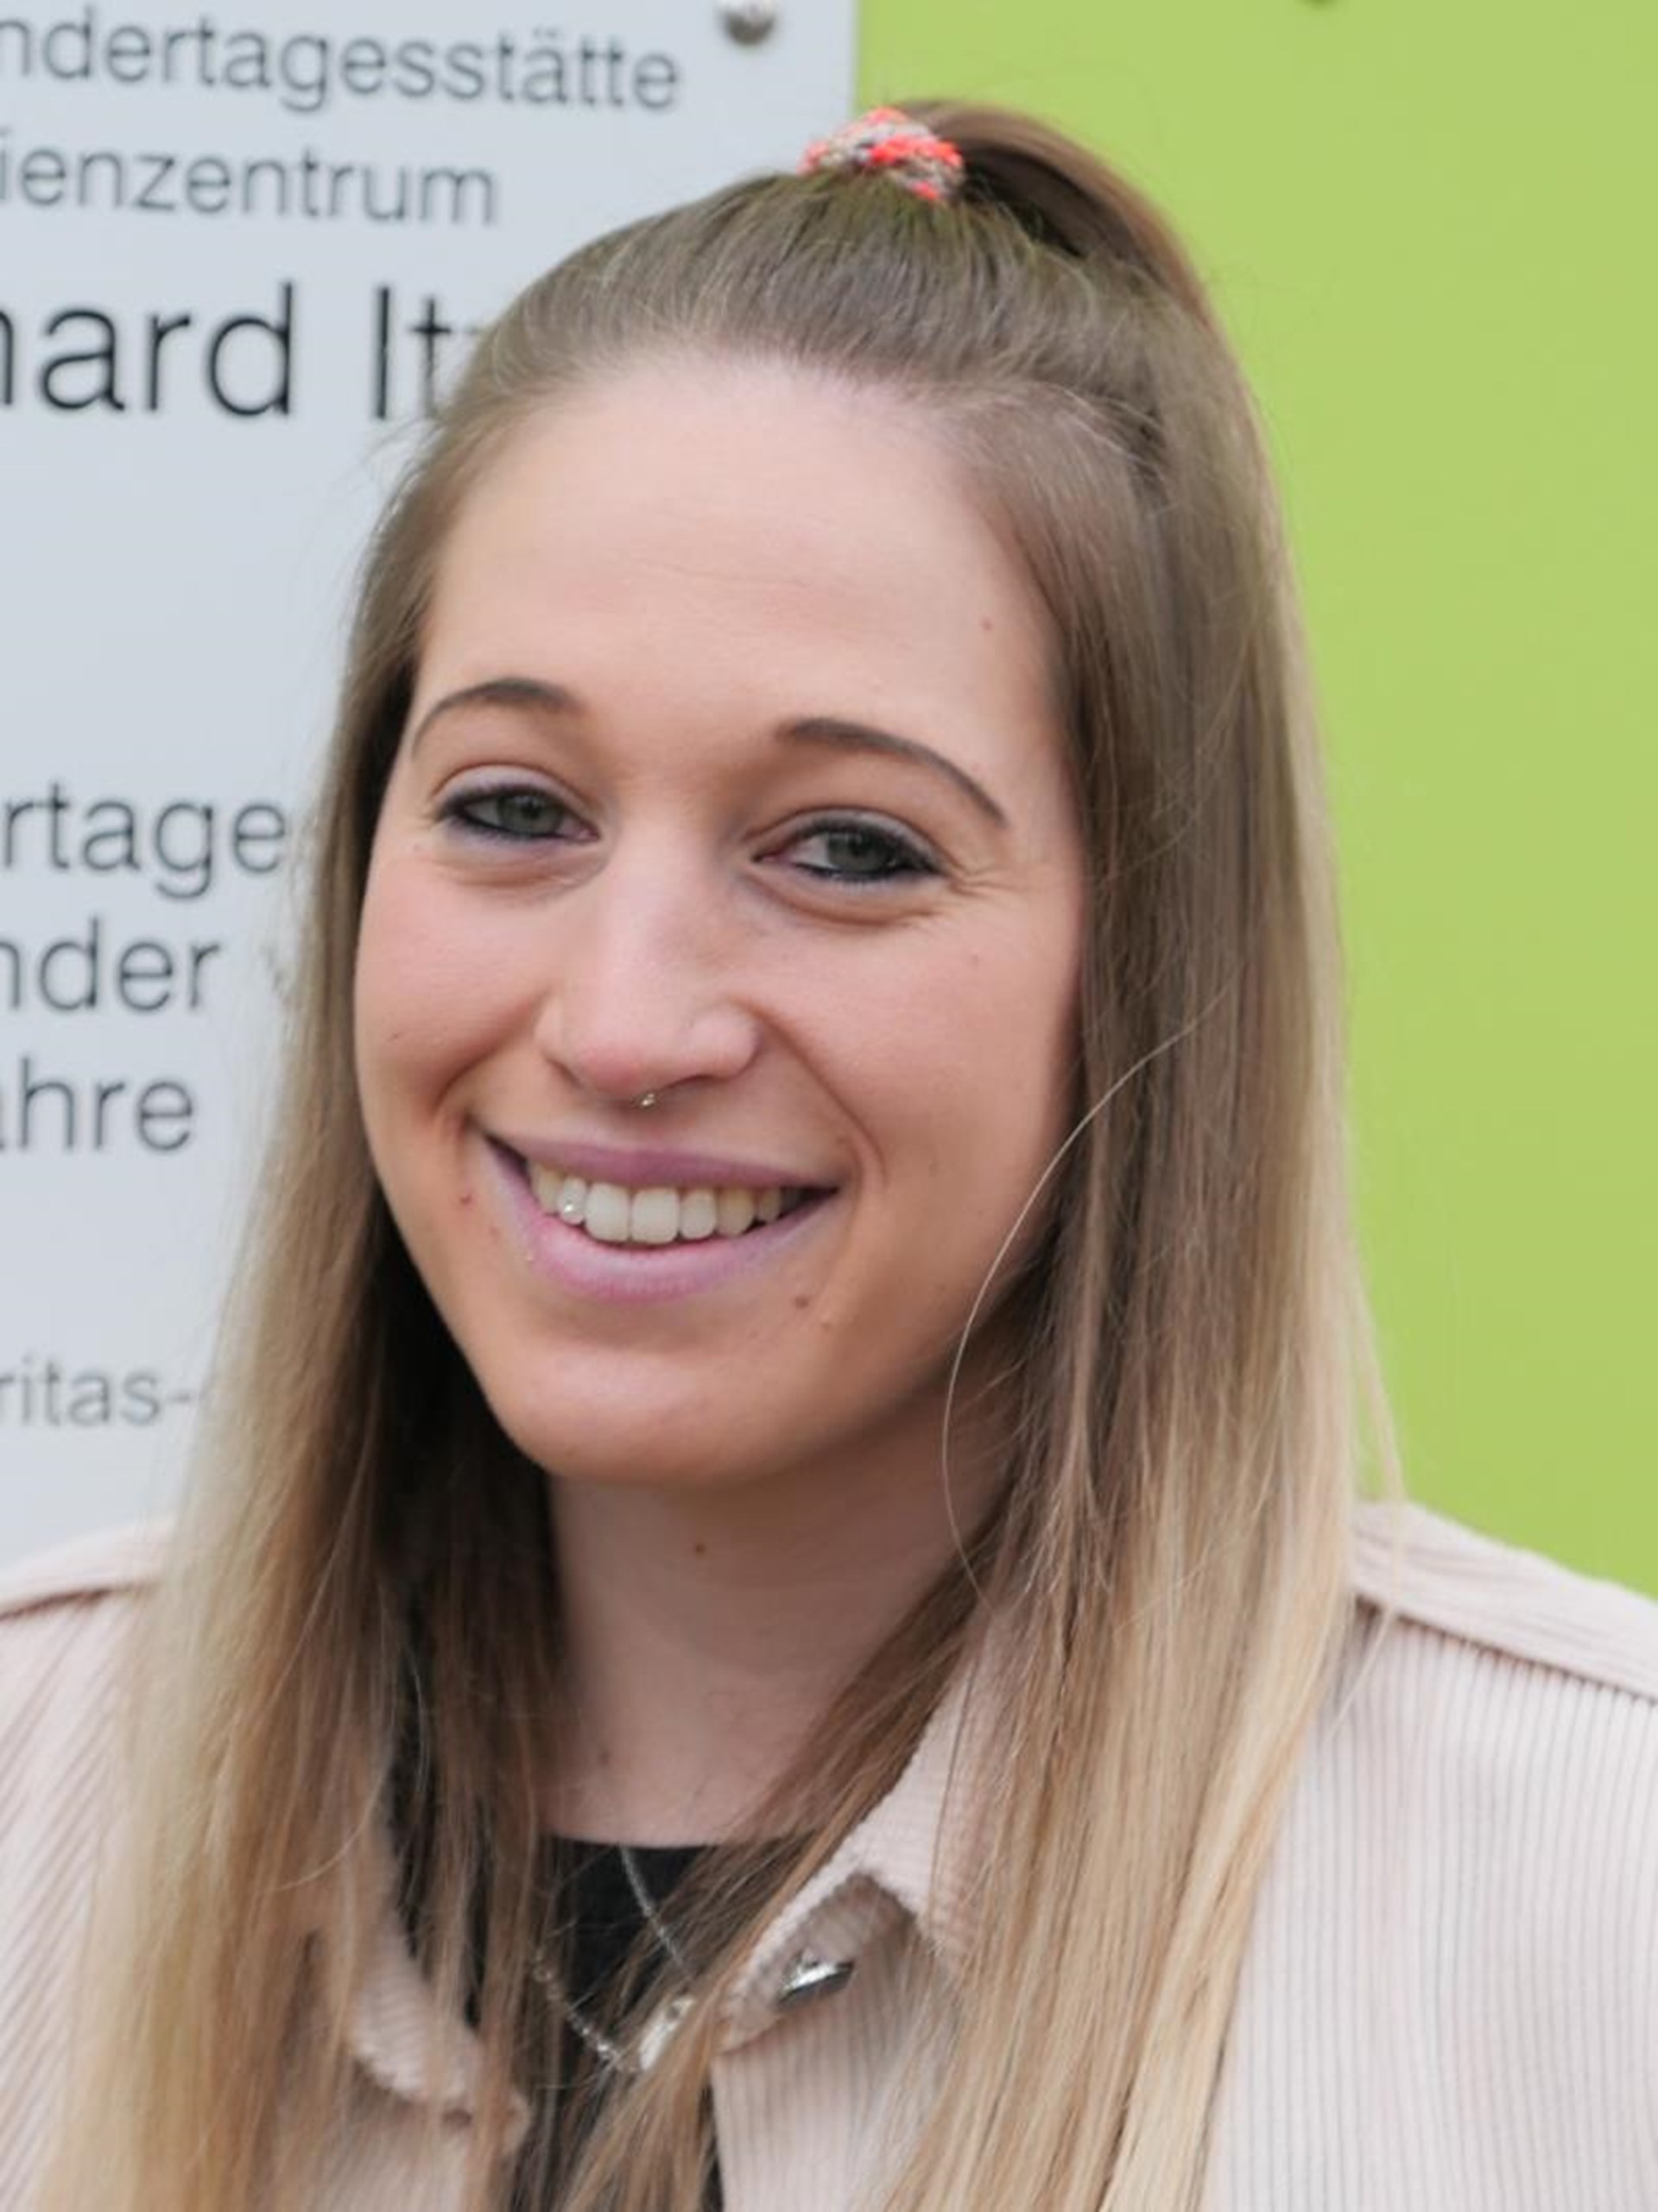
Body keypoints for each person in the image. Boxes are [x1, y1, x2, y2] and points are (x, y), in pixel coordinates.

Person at [2, 100, 1655, 2212]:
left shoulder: (1599, 1896)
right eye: (516, 806)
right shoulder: (34, 1795)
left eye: (851, 850)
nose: (622, 1020)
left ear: (1148, 971)